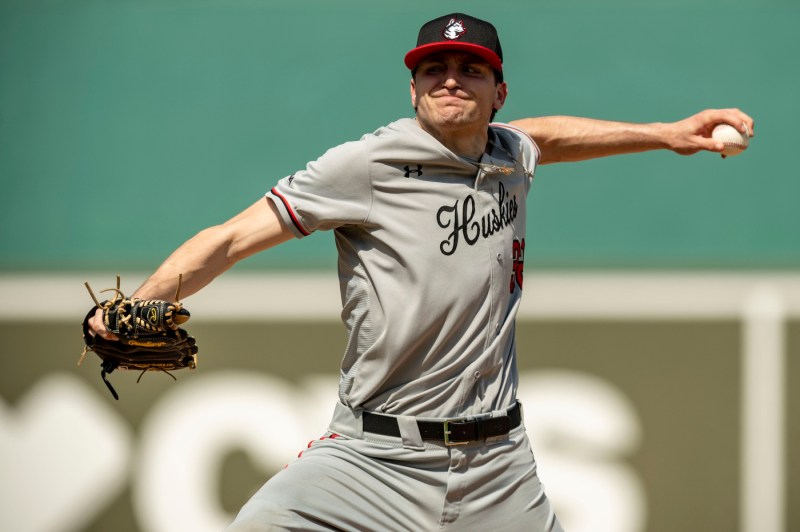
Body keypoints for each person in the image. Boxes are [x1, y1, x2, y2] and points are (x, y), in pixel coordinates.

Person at [88, 12, 754, 531]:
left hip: (499, 469)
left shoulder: (508, 151)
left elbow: (545, 137)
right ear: (412, 88)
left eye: (470, 68)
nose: (450, 79)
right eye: (434, 68)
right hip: (371, 458)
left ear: (498, 92)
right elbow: (231, 237)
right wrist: (143, 301)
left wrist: (665, 132)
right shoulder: (366, 167)